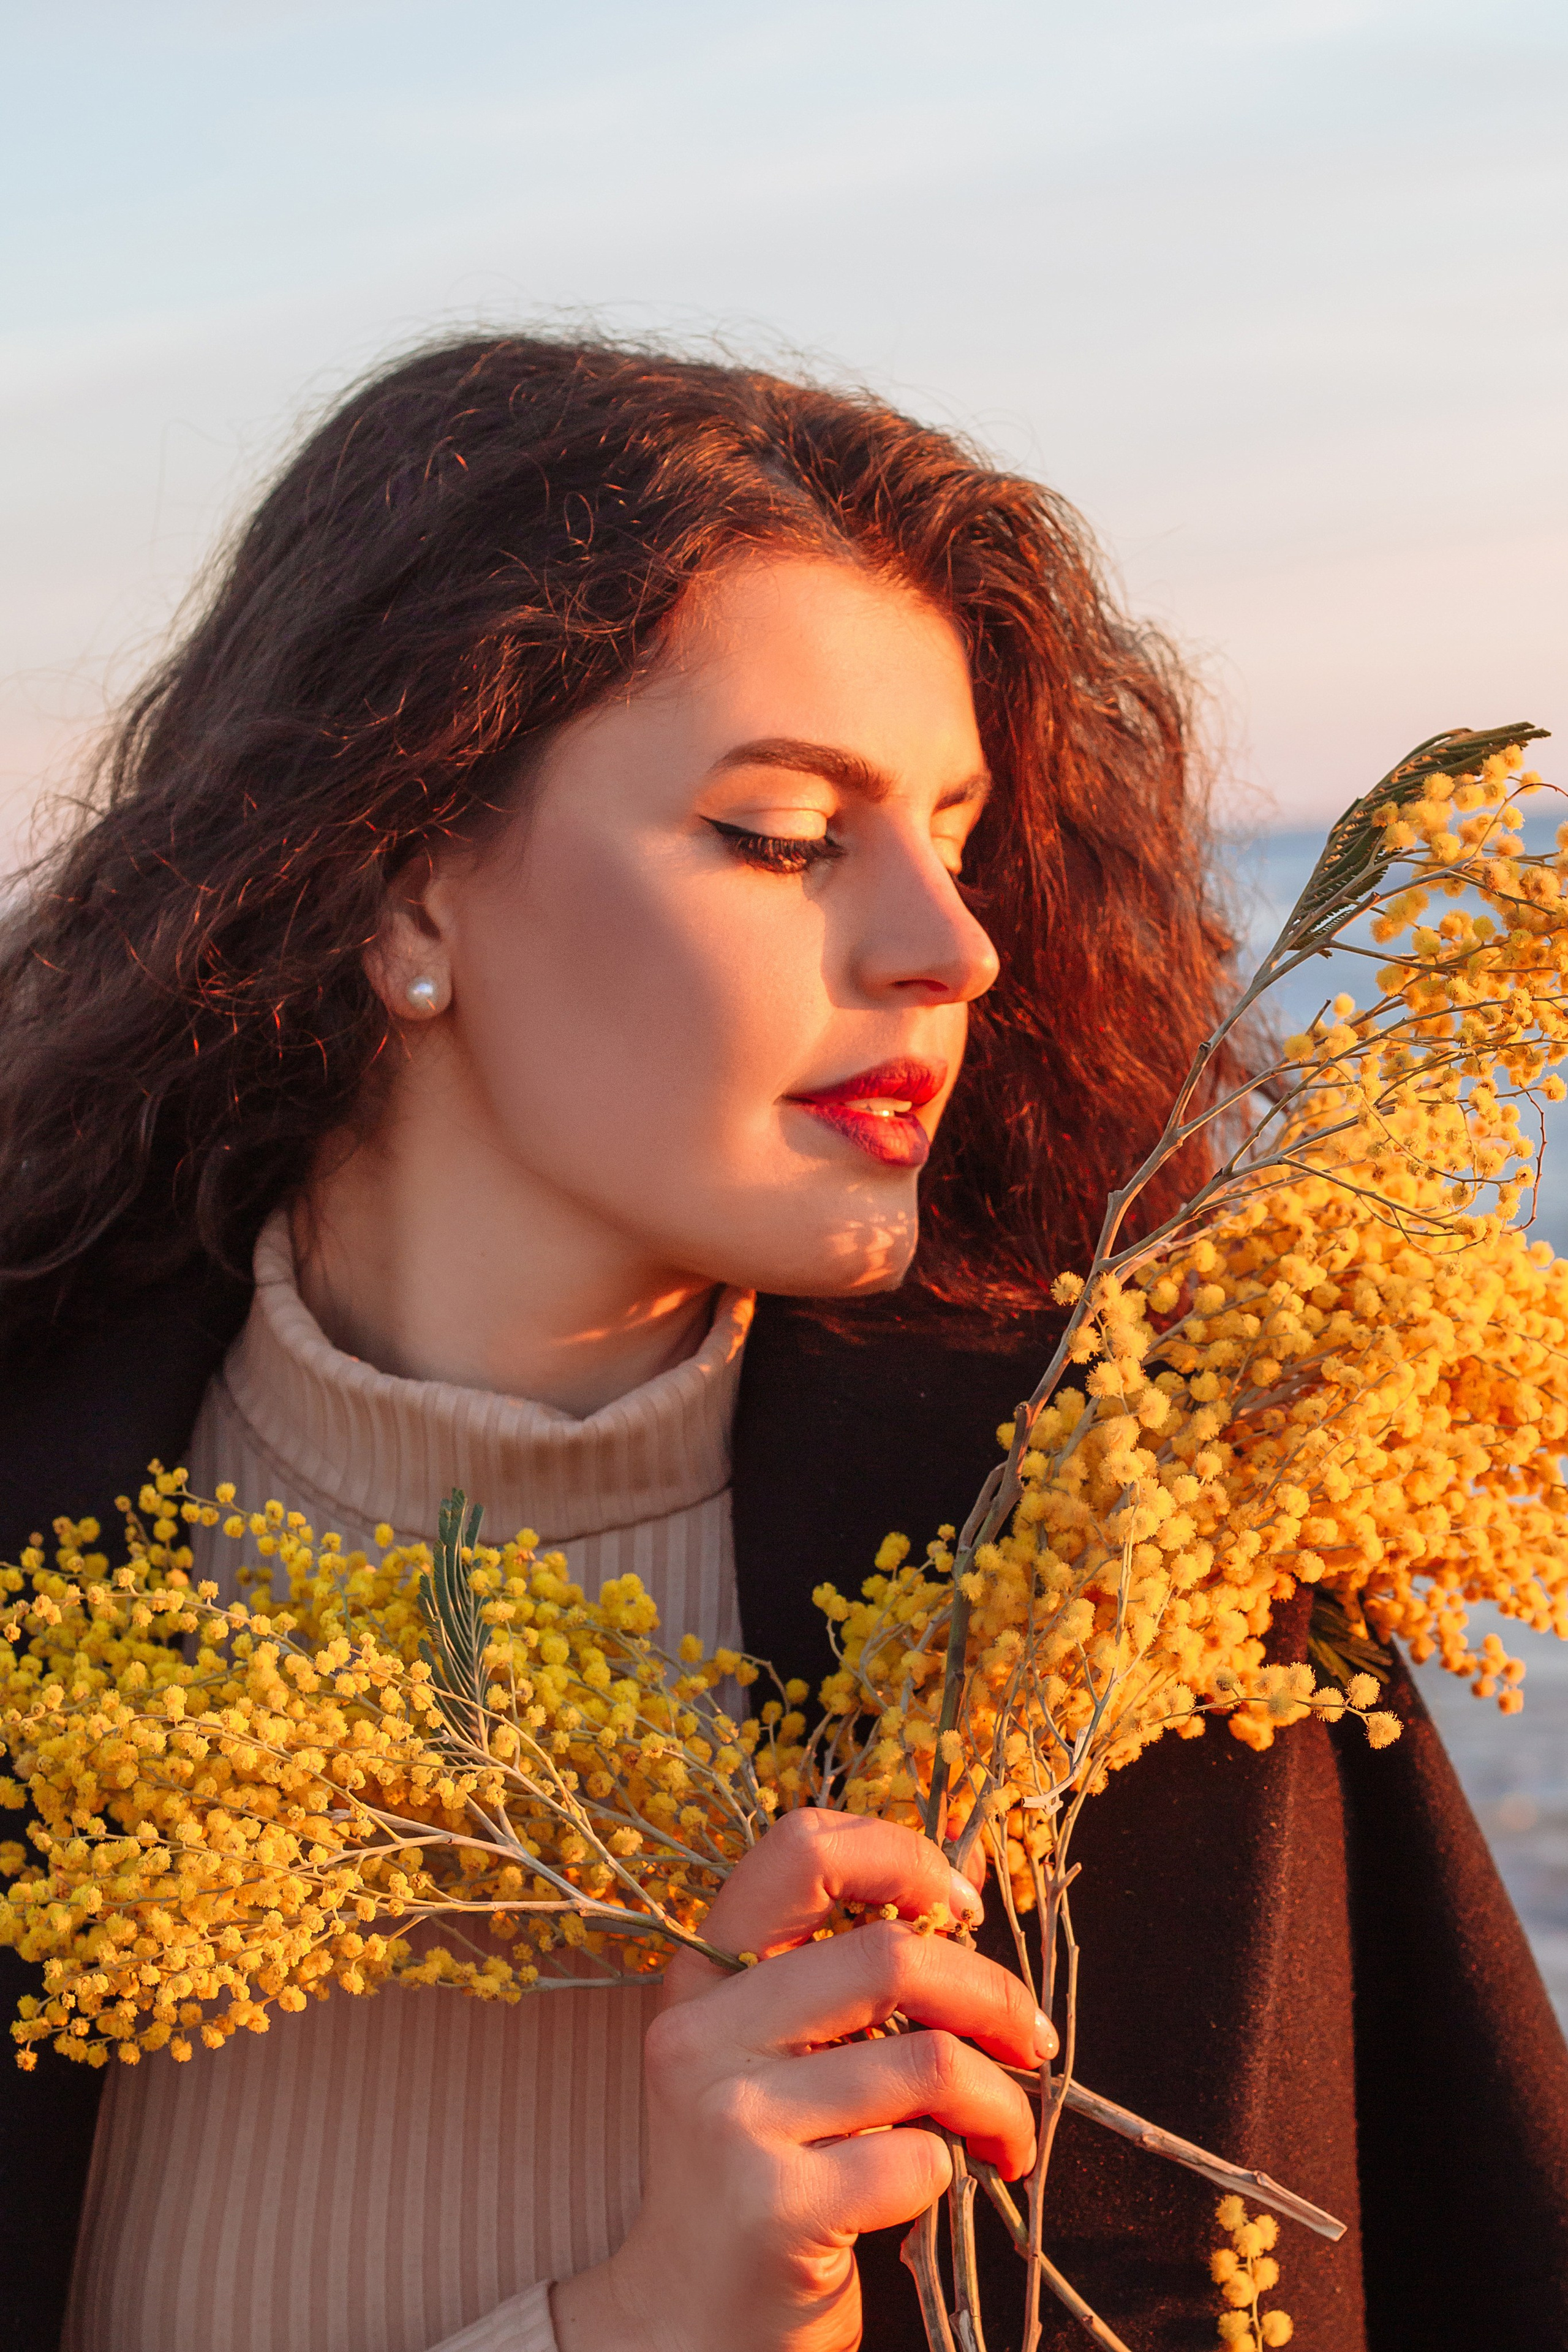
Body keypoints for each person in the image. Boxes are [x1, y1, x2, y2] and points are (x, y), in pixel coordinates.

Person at [0, 336, 1563, 2352]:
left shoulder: (1149, 1599)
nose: (954, 942)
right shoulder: (49, 1568)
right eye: (780, 834)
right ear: (401, 881)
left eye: (956, 829)